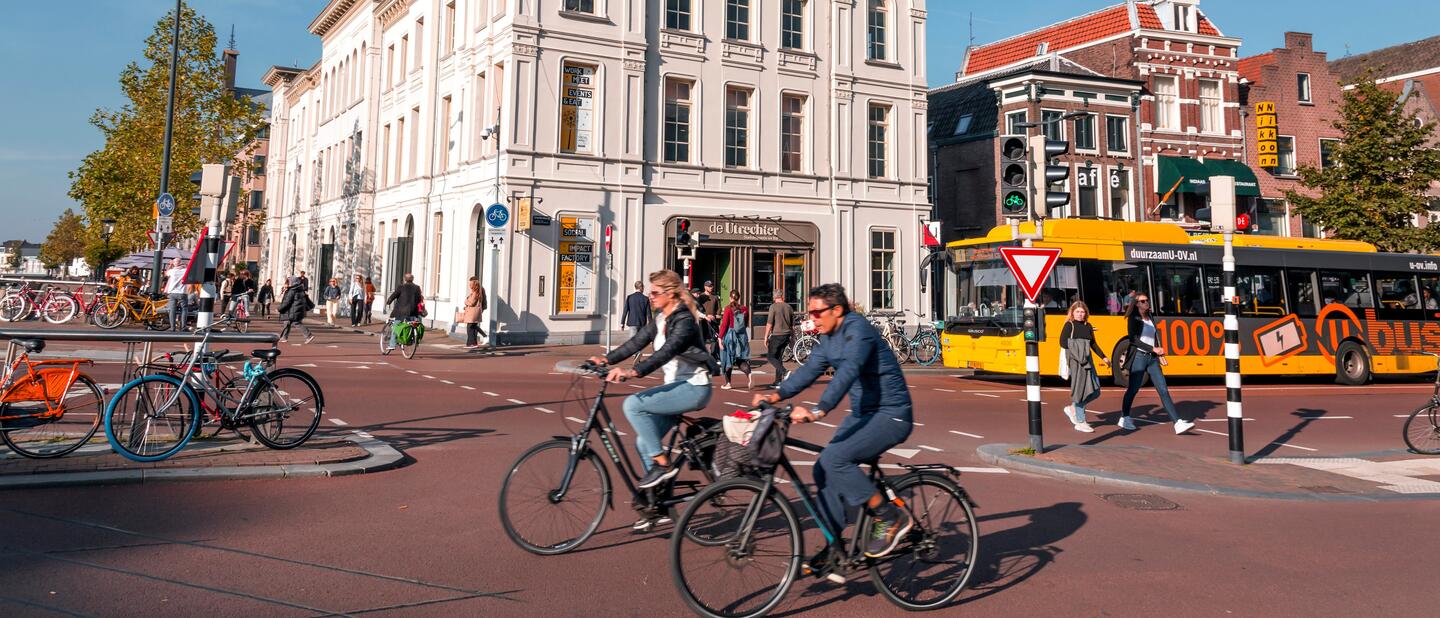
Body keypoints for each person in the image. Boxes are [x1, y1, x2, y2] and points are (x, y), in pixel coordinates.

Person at [754, 284, 915, 564]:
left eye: (817, 313)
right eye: (809, 313)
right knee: (822, 469)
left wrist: (819, 410)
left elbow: (849, 371)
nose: (812, 318)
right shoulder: (828, 339)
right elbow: (808, 371)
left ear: (837, 310)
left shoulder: (858, 330)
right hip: (863, 413)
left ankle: (889, 516)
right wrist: (775, 396)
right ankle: (835, 544)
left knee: (836, 459)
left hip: (891, 413)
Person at [589, 270, 715, 496]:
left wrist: (633, 372)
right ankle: (657, 499)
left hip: (694, 387)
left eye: (655, 292)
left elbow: (666, 352)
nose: (651, 296)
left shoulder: (684, 320)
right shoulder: (661, 319)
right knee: (644, 443)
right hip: (676, 387)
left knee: (633, 405)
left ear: (671, 294)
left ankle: (663, 465)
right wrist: (606, 359)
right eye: (650, 292)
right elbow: (636, 342)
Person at [1119, 293, 1194, 434]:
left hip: (1152, 359)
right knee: (1133, 389)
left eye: (1147, 300)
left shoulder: (1150, 317)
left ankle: (1177, 423)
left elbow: (1155, 336)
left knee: (1163, 390)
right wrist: (1153, 349)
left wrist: (1159, 353)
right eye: (1142, 301)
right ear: (1136, 304)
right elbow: (1133, 340)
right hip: (1139, 357)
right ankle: (1125, 417)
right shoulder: (1133, 318)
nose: (1146, 302)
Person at [1058, 301, 1107, 433]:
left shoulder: (1088, 326)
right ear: (1073, 313)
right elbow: (1062, 342)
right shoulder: (1069, 325)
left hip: (1088, 360)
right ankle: (1080, 422)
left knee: (1096, 391)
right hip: (1076, 361)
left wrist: (1104, 357)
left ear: (1086, 313)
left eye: (1082, 312)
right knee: (1081, 391)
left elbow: (1093, 344)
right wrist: (1079, 348)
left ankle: (1073, 408)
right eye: (1077, 312)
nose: (1080, 314)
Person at [718, 290, 753, 390]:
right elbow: (746, 323)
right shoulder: (744, 309)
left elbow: (724, 325)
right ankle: (749, 375)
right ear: (739, 298)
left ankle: (728, 383)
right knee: (740, 359)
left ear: (730, 298)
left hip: (730, 336)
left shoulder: (728, 308)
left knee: (727, 358)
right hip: (741, 336)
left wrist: (720, 338)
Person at [384, 273, 424, 350]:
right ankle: (413, 341)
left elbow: (394, 295)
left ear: (405, 279)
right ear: (412, 279)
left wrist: (388, 302)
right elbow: (419, 299)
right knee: (411, 325)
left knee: (396, 327)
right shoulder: (417, 288)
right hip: (413, 312)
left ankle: (392, 345)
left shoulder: (401, 287)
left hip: (401, 312)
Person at [764, 291, 795, 388]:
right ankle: (778, 381)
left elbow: (769, 323)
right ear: (782, 296)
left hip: (777, 335)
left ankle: (785, 372)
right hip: (786, 335)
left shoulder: (773, 307)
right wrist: (793, 338)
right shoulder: (789, 307)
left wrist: (765, 336)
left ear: (774, 297)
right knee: (778, 358)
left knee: (770, 357)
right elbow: (792, 326)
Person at [276, 277, 315, 344]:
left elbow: (287, 302)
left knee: (296, 323)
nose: (286, 284)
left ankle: (309, 335)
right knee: (287, 323)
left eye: (288, 283)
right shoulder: (299, 289)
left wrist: (279, 309)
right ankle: (284, 337)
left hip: (293, 310)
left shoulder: (292, 290)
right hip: (297, 310)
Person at [460, 277, 487, 348]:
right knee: (473, 327)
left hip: (472, 313)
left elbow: (471, 303)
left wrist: (465, 301)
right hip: (475, 312)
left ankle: (471, 344)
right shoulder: (478, 291)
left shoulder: (475, 292)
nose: (469, 285)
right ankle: (473, 343)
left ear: (474, 284)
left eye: (471, 284)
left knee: (470, 328)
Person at [697, 281, 722, 357]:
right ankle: (703, 356)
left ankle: (714, 355)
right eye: (709, 286)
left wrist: (715, 315)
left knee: (714, 338)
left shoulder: (715, 297)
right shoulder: (701, 297)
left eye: (712, 286)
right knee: (703, 339)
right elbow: (698, 308)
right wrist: (706, 316)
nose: (711, 287)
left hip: (713, 321)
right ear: (705, 287)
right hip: (704, 322)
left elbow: (719, 308)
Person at [163, 258, 188, 331]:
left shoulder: (172, 271)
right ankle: (183, 327)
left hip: (173, 292)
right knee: (184, 309)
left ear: (174, 263)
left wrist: (170, 265)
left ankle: (172, 327)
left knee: (172, 310)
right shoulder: (185, 270)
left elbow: (165, 273)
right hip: (182, 292)